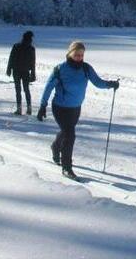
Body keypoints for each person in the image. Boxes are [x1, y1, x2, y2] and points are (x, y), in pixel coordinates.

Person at [36, 41, 119, 181]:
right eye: (76, 55)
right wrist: (42, 105)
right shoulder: (60, 69)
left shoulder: (86, 68)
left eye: (81, 55)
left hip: (75, 108)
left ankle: (56, 147)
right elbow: (48, 87)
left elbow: (97, 82)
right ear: (70, 53)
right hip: (60, 107)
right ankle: (67, 167)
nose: (79, 58)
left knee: (66, 131)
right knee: (70, 134)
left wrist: (110, 84)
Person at [7, 30, 36, 115]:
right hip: (26, 71)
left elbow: (11, 58)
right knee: (27, 90)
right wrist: (33, 73)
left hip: (16, 71)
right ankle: (29, 108)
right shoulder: (31, 48)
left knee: (18, 90)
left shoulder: (16, 46)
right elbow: (33, 62)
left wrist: (9, 69)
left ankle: (19, 109)